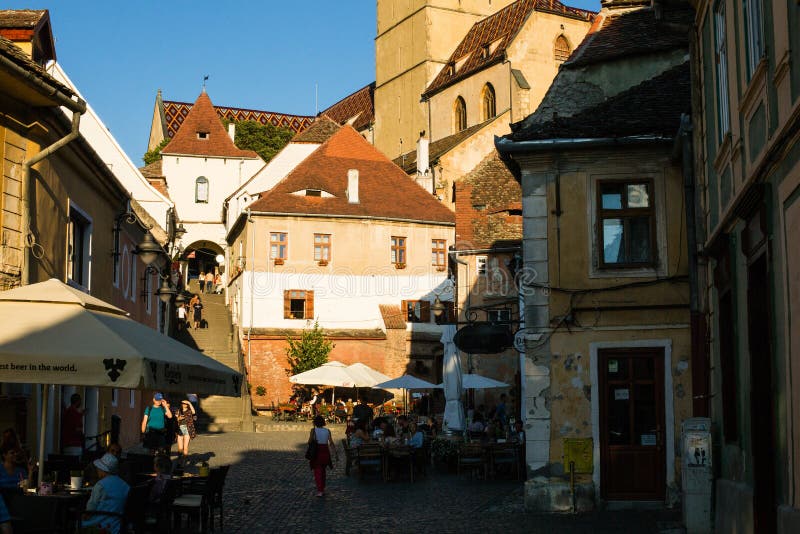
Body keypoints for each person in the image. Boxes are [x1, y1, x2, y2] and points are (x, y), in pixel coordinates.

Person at [81, 453, 130, 534]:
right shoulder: (125, 485)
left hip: (101, 525)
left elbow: (91, 506)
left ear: (102, 470)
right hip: (118, 525)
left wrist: (85, 516)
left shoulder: (101, 485)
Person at [307, 415, 337, 497]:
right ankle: (322, 488)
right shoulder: (327, 430)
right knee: (323, 471)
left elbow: (309, 441)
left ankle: (320, 490)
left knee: (317, 471)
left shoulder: (313, 430)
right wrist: (335, 453)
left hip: (317, 451)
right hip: (325, 451)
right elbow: (331, 442)